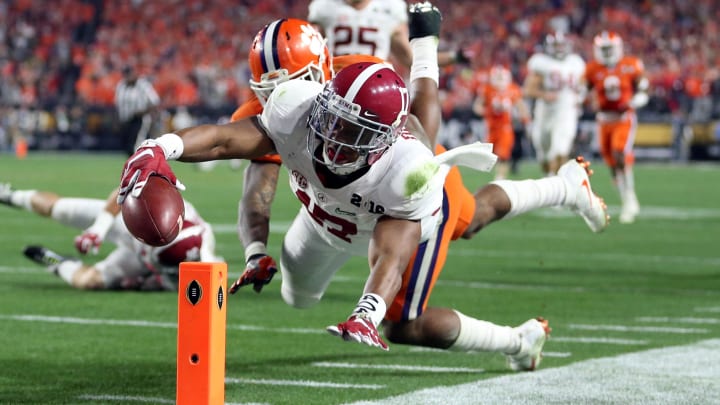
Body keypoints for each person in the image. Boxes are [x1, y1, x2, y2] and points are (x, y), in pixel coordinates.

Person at [117, 3, 607, 371]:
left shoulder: (406, 159)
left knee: (464, 227)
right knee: (296, 297)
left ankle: (556, 215)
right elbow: (245, 166)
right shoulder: (295, 106)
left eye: (282, 81)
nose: (334, 133)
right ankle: (565, 187)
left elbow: (393, 245)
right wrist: (165, 150)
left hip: (395, 194)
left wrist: (367, 311)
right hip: (324, 216)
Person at [0, 183, 219, 291]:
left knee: (89, 282)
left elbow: (207, 282)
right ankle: (11, 195)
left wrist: (147, 283)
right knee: (61, 210)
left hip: (139, 260)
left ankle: (59, 263)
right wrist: (99, 228)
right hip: (127, 224)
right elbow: (125, 188)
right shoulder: (165, 208)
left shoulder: (201, 254)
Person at [585, 31, 649, 224]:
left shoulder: (630, 64)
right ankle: (626, 196)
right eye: (603, 49)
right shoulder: (592, 68)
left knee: (619, 152)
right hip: (603, 119)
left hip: (623, 118)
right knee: (612, 163)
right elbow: (584, 91)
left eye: (609, 48)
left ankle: (629, 199)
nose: (606, 52)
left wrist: (634, 102)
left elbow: (644, 88)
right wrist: (588, 100)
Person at [307, 0, 468, 71]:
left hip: (374, 83)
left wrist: (455, 56)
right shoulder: (324, 7)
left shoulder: (391, 9)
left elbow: (410, 59)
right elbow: (310, 54)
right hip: (334, 86)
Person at [523, 31, 586, 176]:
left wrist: (580, 97)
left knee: (560, 150)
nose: (560, 48)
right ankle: (550, 179)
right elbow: (528, 90)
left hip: (567, 111)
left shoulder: (575, 63)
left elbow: (584, 86)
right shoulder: (541, 63)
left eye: (562, 45)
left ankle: (556, 187)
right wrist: (544, 94)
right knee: (543, 154)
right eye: (556, 45)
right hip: (545, 113)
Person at [472, 64, 531, 180]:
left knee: (504, 152)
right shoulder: (487, 89)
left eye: (501, 77)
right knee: (491, 153)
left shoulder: (512, 89)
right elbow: (477, 106)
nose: (499, 80)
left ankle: (500, 176)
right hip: (490, 127)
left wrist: (526, 120)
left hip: (505, 126)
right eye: (497, 77)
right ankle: (499, 174)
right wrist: (487, 111)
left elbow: (521, 107)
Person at [115, 65, 161, 156]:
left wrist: (143, 112)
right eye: (126, 74)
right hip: (125, 120)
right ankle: (135, 166)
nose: (128, 77)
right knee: (127, 146)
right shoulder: (121, 85)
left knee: (136, 145)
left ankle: (139, 167)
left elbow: (155, 102)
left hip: (140, 119)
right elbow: (118, 104)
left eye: (130, 74)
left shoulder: (143, 85)